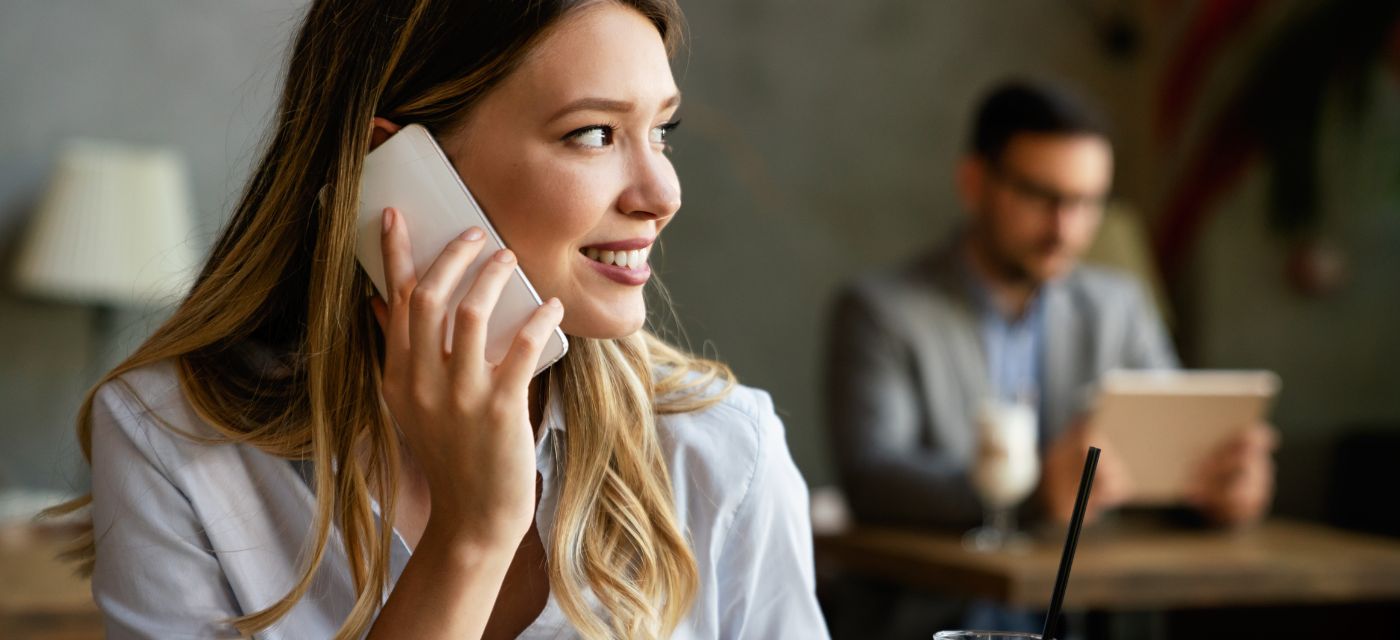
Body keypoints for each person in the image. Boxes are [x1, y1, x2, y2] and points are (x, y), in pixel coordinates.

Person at [50, 1, 830, 638]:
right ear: (393, 169)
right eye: (593, 134)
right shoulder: (172, 443)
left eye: (662, 130)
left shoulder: (723, 453)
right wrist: (473, 535)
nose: (662, 194)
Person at [825, 79, 1277, 534]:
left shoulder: (1119, 307)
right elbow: (872, 480)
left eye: (1087, 201)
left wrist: (1219, 490)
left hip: (1089, 598)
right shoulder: (881, 311)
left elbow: (1169, 459)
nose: (1065, 227)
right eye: (1040, 196)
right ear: (974, 182)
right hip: (945, 599)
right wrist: (1034, 491)